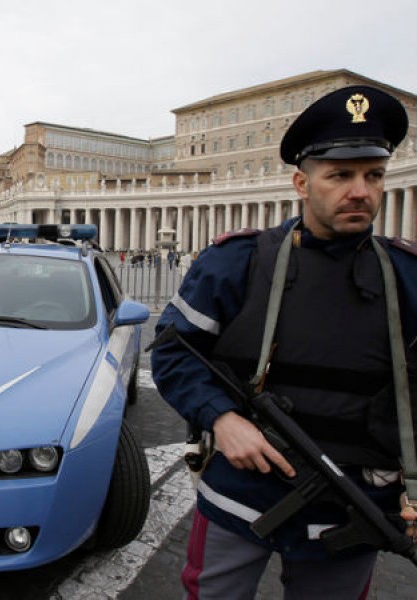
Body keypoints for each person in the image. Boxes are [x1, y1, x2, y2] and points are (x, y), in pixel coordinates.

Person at [151, 85, 417, 598]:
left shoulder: (406, 276)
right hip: (241, 492)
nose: (360, 190)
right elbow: (173, 352)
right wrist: (221, 419)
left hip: (355, 504)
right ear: (301, 182)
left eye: (374, 175)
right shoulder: (237, 262)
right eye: (340, 175)